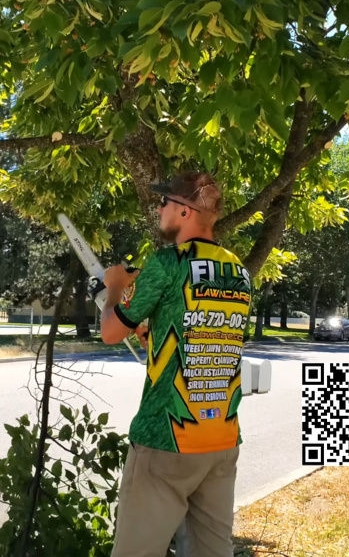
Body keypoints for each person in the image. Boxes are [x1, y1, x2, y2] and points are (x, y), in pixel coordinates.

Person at [100, 172, 254, 556]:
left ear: (185, 211)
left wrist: (115, 287)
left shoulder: (167, 263)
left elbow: (110, 333)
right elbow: (205, 336)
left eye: (165, 202)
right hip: (220, 438)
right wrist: (153, 336)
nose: (159, 208)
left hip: (165, 438)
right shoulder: (238, 271)